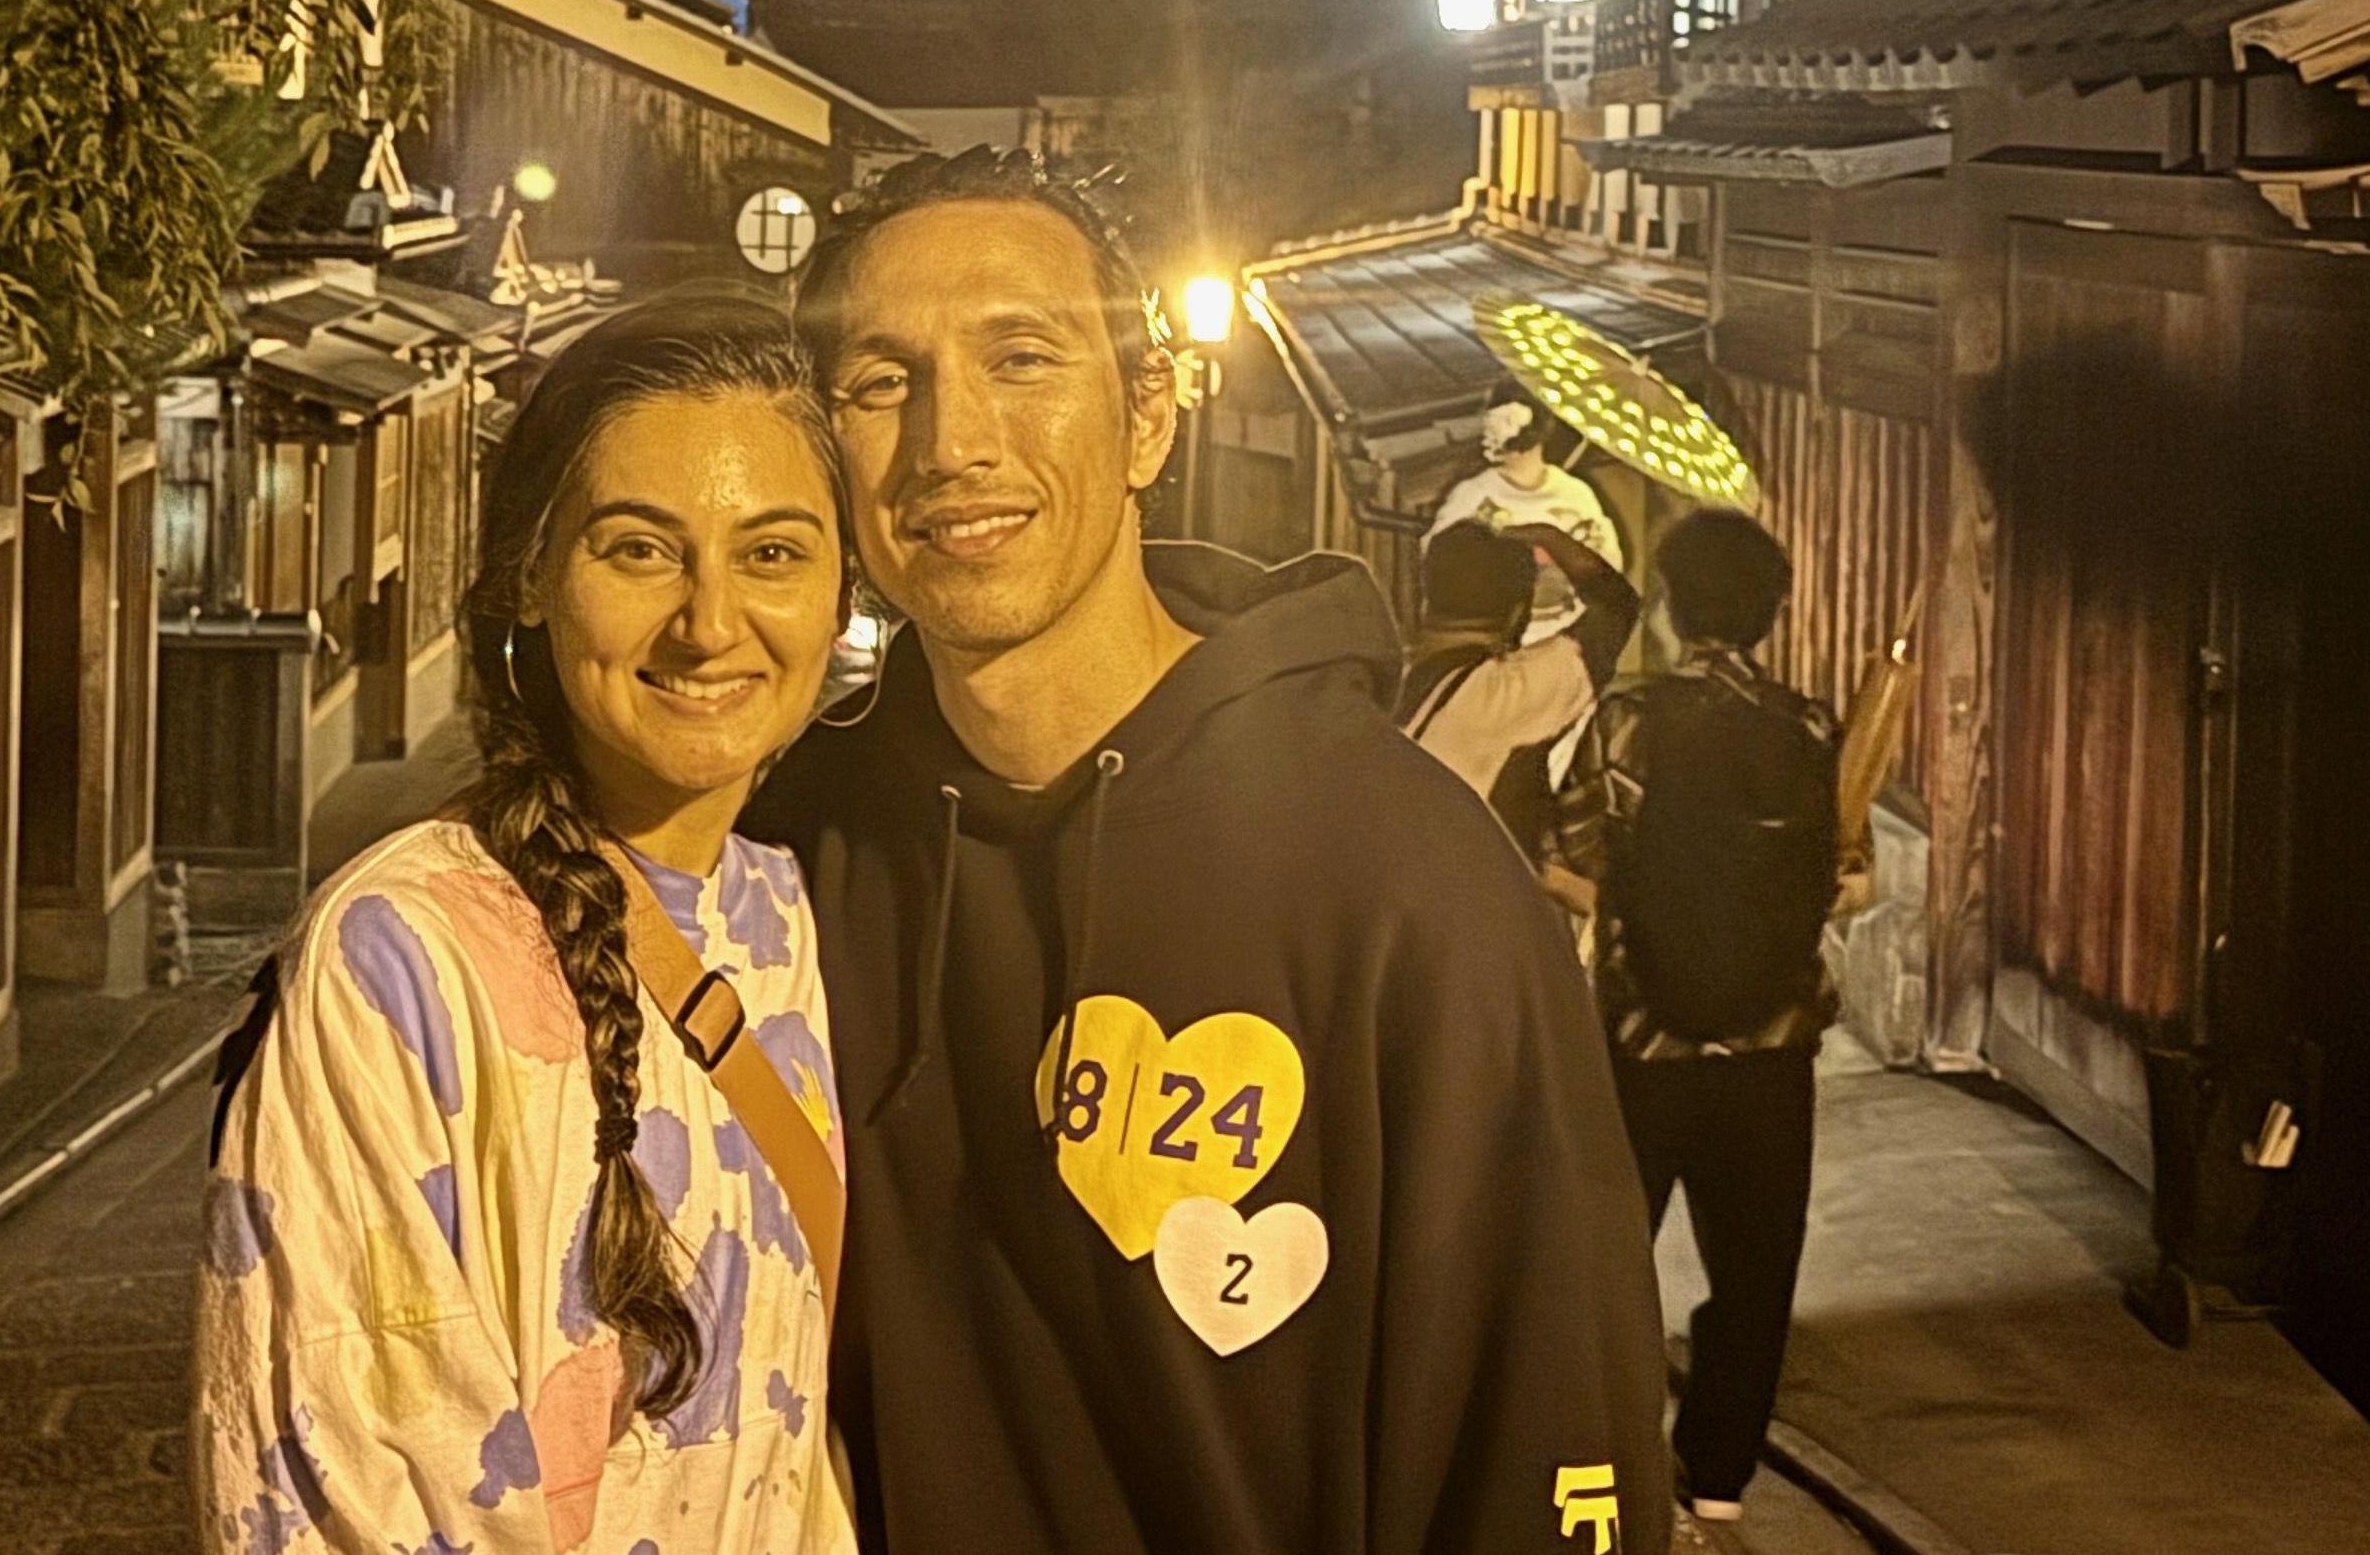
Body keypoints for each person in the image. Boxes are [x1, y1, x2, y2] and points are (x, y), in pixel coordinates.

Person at [749, 150, 1672, 1555]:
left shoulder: (1407, 883)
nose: (951, 444)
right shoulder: (787, 854)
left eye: (1023, 358)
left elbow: (1548, 1422)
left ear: (1148, 416)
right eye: (883, 382)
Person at [194, 293, 856, 1555]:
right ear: (531, 582)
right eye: (638, 549)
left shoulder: (785, 918)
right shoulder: (400, 958)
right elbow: (342, 1492)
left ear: (840, 597)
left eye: (772, 552)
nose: (711, 622)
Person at [1558, 508, 1858, 1530]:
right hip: (1772, 1050)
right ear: (1771, 611)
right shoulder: (1813, 726)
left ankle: (1609, 1467)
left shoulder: (1629, 719)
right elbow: (1834, 877)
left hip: (1647, 1043)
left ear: (1678, 606)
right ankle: (1720, 1484)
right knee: (1757, 1269)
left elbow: (1582, 858)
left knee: (1608, 1260)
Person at [1397, 514, 1641, 878]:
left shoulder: (1381, 683)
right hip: (1472, 906)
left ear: (1426, 602)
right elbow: (1617, 607)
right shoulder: (1504, 694)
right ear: (1518, 615)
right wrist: (1552, 538)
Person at [1427, 399, 1621, 634]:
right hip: (1489, 640)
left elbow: (1606, 569)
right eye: (1491, 421)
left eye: (1506, 421)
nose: (1492, 433)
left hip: (1562, 638)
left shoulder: (1575, 495)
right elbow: (1437, 562)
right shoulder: (1471, 495)